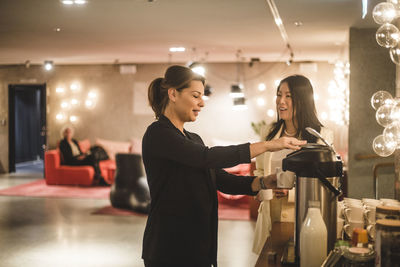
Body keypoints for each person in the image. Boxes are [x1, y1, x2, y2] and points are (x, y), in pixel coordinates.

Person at [141, 65, 306, 267]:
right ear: (173, 94)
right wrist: (269, 145)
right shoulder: (158, 134)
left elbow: (220, 178)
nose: (202, 103)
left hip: (198, 245)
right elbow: (207, 157)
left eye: (202, 97)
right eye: (195, 96)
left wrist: (263, 182)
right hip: (169, 248)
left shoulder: (193, 138)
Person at [252, 74, 334, 254]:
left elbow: (324, 183)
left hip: (303, 216)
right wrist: (264, 187)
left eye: (288, 96)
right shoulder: (269, 132)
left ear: (303, 100)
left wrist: (290, 192)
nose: (281, 101)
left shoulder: (322, 135)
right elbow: (258, 170)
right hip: (269, 215)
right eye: (279, 94)